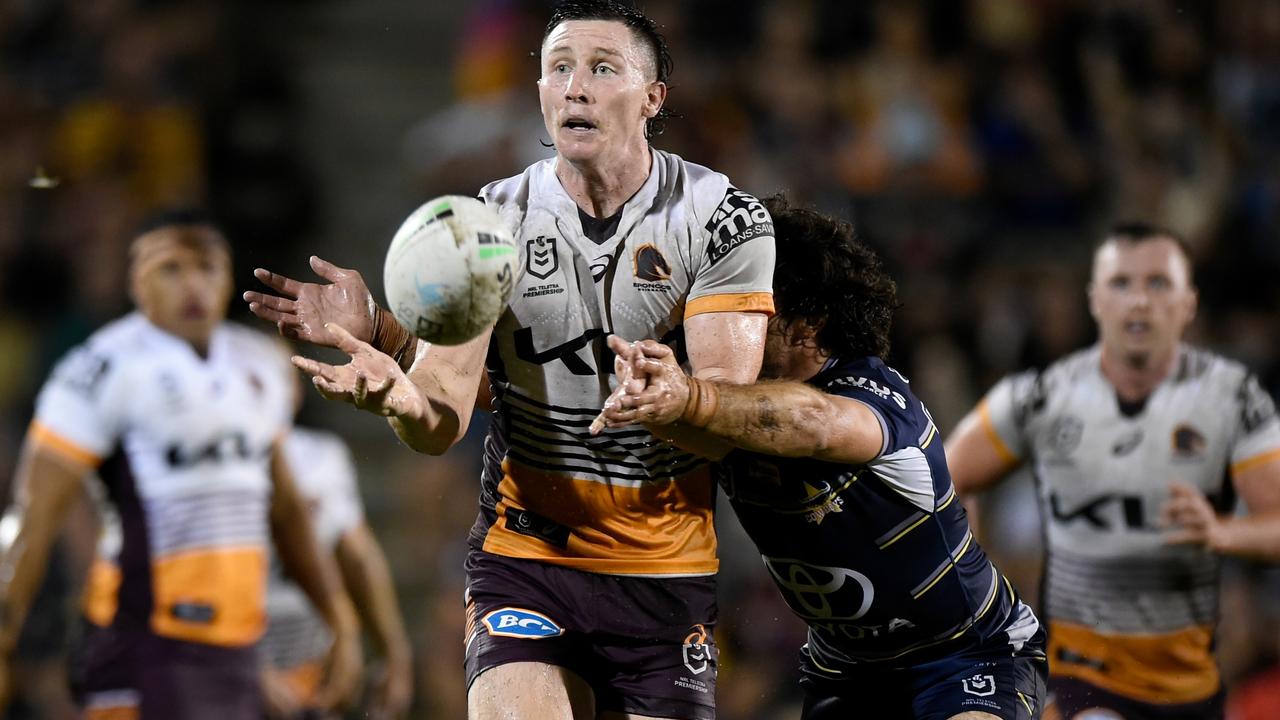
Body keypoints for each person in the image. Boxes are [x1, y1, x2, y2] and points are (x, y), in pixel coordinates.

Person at [243, 2, 776, 718]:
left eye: (602, 69)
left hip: (663, 570)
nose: (575, 86)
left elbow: (723, 418)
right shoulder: (488, 223)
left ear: (653, 98)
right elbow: (442, 416)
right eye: (559, 69)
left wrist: (679, 397)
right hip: (527, 564)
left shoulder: (722, 219)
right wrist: (398, 397)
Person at [594, 195, 1048, 720]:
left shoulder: (875, 400)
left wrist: (690, 399)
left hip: (967, 656)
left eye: (747, 306)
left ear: (806, 323)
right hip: (846, 675)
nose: (721, 321)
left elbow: (807, 423)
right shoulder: (720, 402)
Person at [0, 211, 363, 720]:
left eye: (206, 267)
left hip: (235, 644)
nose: (192, 283)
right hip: (141, 639)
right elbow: (33, 520)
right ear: (137, 282)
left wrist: (339, 619)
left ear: (227, 275)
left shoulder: (261, 363)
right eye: (171, 268)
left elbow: (286, 514)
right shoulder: (98, 370)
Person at [945, 222, 1280, 720]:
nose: (1139, 302)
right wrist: (978, 589)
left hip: (1191, 682)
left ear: (1188, 304)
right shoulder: (1039, 398)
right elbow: (940, 478)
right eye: (1122, 284)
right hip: (1081, 680)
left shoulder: (1236, 402)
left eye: (1158, 283)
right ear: (1097, 301)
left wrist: (1221, 531)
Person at [260, 370, 413, 720]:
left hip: (310, 663)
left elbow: (358, 556)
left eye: (272, 375)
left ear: (295, 390)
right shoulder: (208, 464)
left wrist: (389, 650)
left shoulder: (321, 457)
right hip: (221, 657)